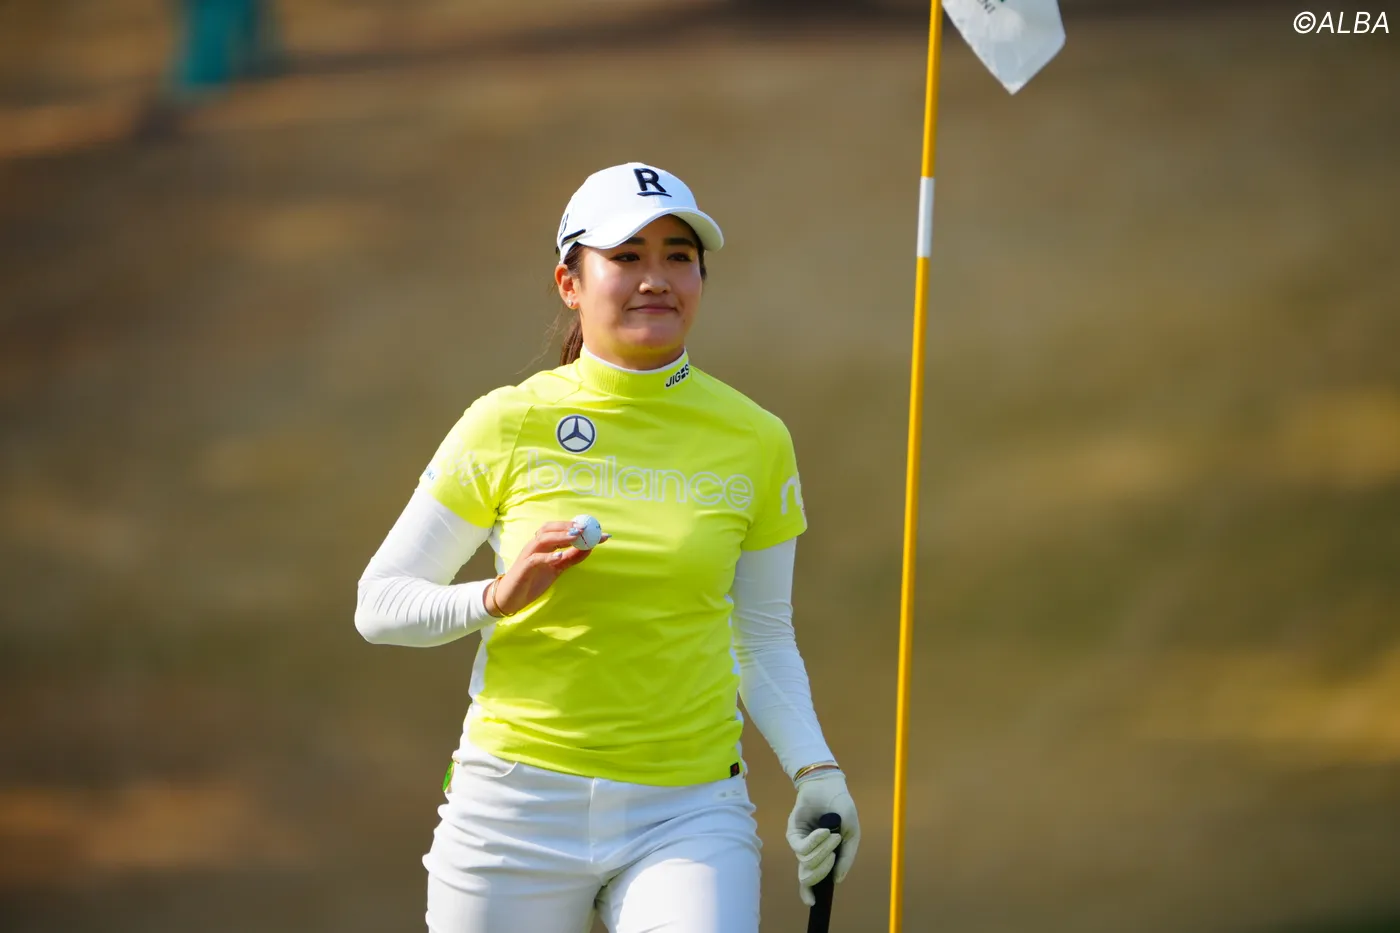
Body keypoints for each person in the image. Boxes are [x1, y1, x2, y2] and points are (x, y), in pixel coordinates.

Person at [354, 162, 861, 933]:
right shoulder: (507, 421)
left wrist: (816, 770)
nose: (655, 278)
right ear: (570, 282)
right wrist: (496, 596)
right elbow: (380, 604)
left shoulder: (756, 438)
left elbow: (760, 633)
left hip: (687, 809)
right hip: (512, 805)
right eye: (626, 256)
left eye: (678, 256)